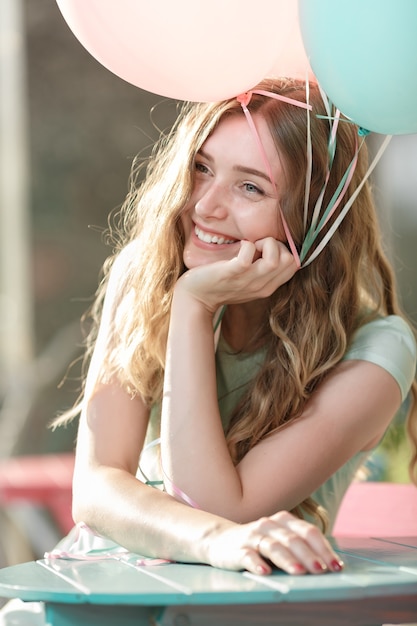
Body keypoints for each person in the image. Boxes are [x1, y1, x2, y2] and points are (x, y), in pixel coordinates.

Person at [1, 77, 416, 623]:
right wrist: (217, 539)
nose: (206, 206)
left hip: (243, 606)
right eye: (202, 167)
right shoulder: (145, 276)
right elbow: (98, 487)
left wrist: (193, 313)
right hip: (112, 582)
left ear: (315, 221)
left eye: (252, 188)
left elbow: (217, 503)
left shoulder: (376, 349)